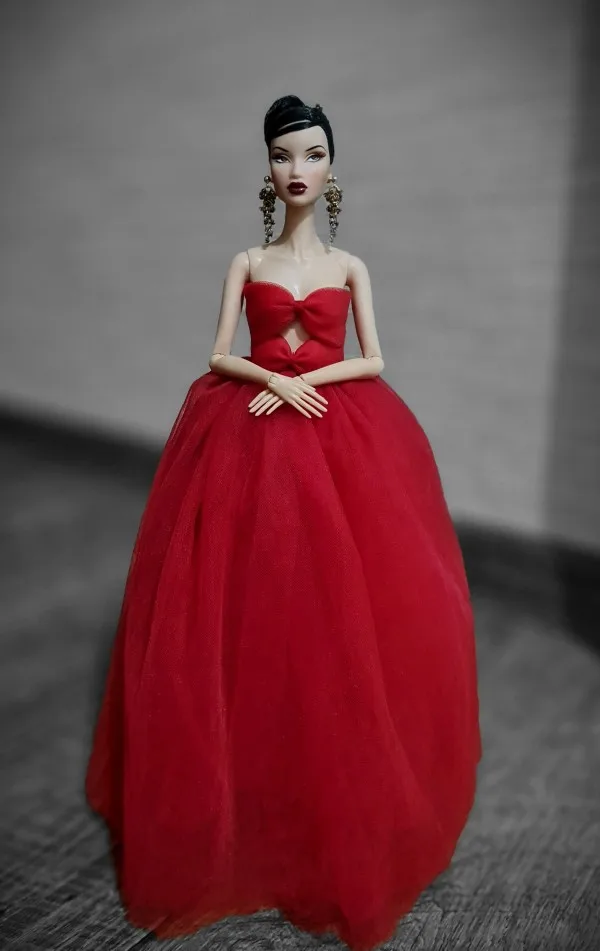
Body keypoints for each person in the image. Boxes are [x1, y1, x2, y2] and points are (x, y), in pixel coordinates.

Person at [85, 94, 483, 951]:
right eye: (281, 155)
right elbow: (216, 351)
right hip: (248, 428)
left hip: (333, 427)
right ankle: (242, 785)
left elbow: (373, 357)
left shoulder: (350, 266)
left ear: (332, 168)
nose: (296, 168)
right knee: (237, 596)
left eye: (311, 153)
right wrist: (269, 377)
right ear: (266, 170)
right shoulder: (246, 259)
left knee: (345, 603)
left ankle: (326, 785)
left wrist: (309, 382)